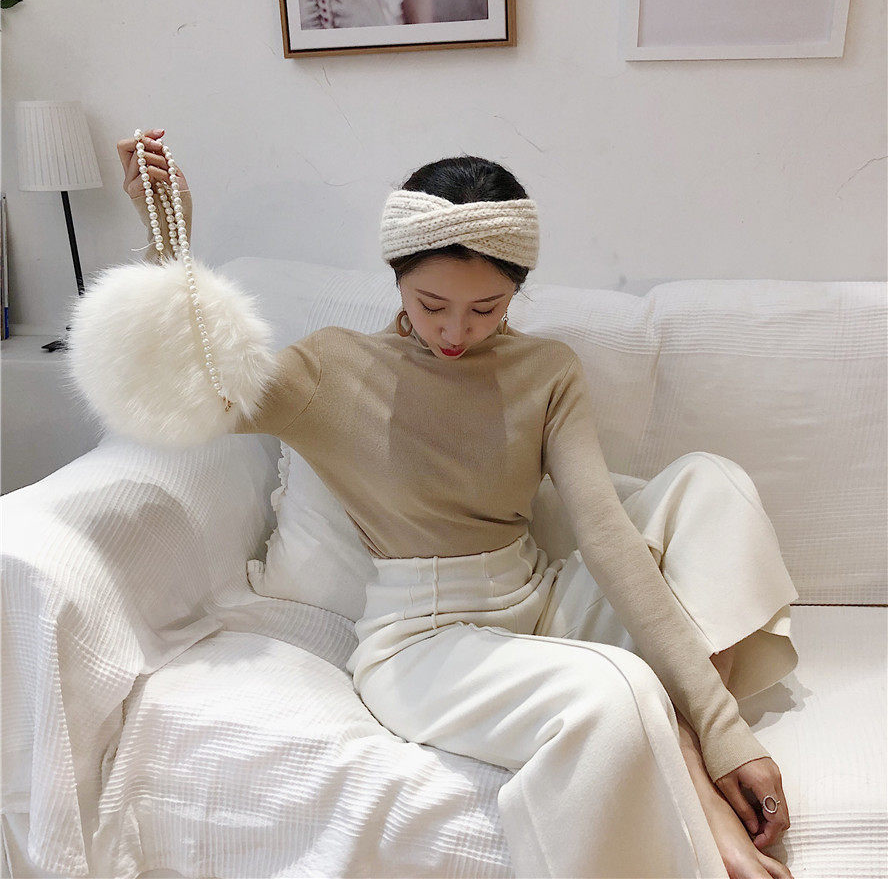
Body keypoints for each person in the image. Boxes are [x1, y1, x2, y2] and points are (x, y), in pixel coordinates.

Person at [70, 131, 798, 878]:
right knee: (617, 690)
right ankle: (691, 787)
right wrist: (169, 240)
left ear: (518, 289)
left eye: (486, 307)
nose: (455, 331)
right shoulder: (332, 368)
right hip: (425, 642)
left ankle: (685, 738)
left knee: (713, 485)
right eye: (431, 305)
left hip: (542, 599)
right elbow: (191, 392)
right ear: (397, 280)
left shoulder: (547, 369)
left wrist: (725, 730)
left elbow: (606, 536)